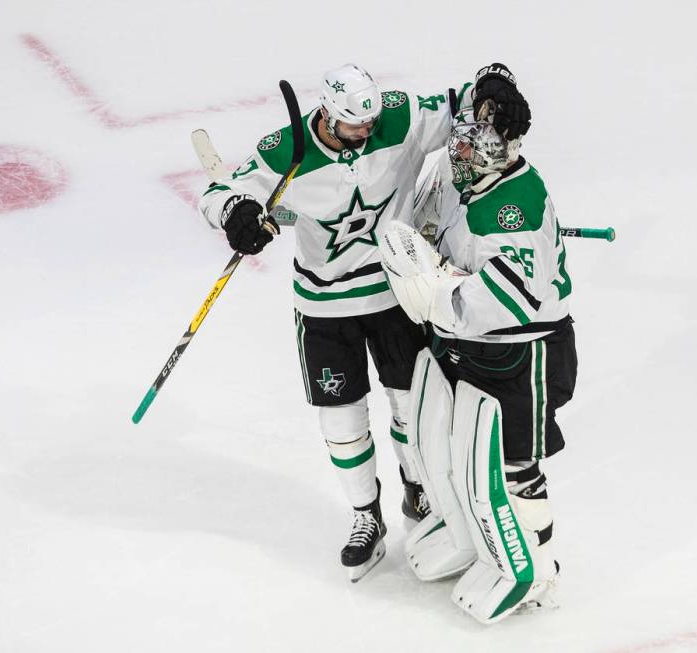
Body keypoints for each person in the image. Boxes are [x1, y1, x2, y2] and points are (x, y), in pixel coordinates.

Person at [197, 63, 531, 582]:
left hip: (394, 295)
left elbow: (463, 105)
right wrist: (237, 213)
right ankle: (364, 517)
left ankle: (419, 491)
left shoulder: (394, 117)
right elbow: (221, 193)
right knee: (342, 422)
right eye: (355, 126)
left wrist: (492, 87)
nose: (367, 133)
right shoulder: (285, 149)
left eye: (371, 122)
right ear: (327, 114)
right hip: (325, 308)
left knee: (410, 405)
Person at [378, 100, 577, 622]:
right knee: (452, 446)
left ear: (498, 153)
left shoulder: (515, 210)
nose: (456, 153)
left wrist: (434, 291)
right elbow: (421, 228)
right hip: (466, 346)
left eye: (470, 147)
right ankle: (472, 539)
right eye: (459, 141)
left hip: (521, 352)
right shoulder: (462, 171)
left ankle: (538, 567)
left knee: (513, 467)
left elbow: (498, 305)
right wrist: (431, 267)